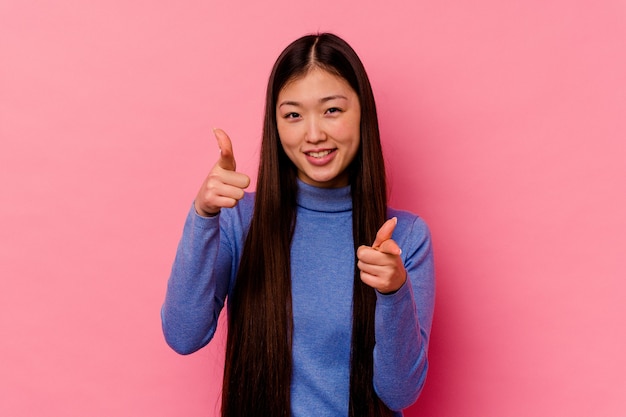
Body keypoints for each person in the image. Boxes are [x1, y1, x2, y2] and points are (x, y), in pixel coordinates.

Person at [161, 32, 435, 417]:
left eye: (332, 110)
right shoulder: (241, 220)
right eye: (293, 114)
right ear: (275, 124)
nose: (313, 134)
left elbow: (399, 393)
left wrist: (393, 292)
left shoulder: (405, 236)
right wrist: (204, 215)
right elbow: (183, 335)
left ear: (363, 113)